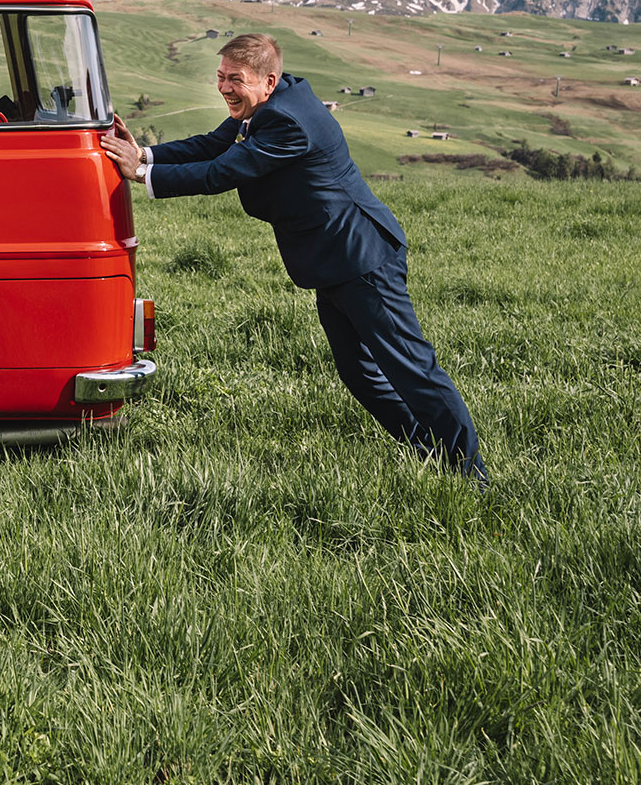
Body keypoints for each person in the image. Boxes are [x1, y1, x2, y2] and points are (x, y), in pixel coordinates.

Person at [100, 33, 485, 482]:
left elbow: (225, 170)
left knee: (411, 368)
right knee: (360, 374)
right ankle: (434, 455)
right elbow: (212, 146)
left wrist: (141, 172)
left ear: (268, 80)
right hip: (334, 263)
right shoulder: (267, 105)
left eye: (235, 80)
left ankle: (468, 473)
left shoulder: (287, 121)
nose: (224, 87)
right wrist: (144, 151)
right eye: (220, 76)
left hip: (361, 258)